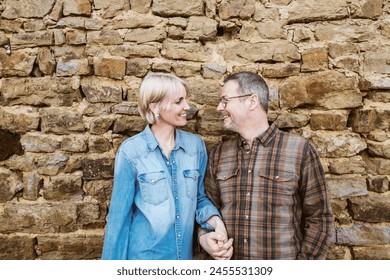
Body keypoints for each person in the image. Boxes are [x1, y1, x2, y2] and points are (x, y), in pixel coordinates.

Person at [198, 71, 333, 260]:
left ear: (252, 101)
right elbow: (207, 211)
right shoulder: (219, 154)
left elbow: (320, 219)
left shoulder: (300, 150)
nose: (219, 107)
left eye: (225, 100)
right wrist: (205, 240)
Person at [101, 72, 228, 260]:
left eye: (185, 99)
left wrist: (217, 223)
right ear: (155, 106)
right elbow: (118, 221)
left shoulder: (196, 147)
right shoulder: (131, 152)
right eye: (179, 101)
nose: (187, 106)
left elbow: (199, 199)